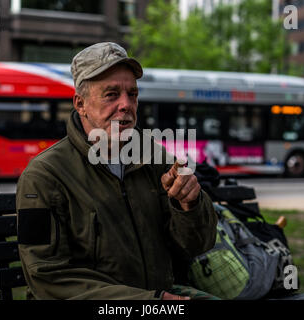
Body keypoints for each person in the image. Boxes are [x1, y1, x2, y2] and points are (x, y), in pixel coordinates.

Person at [16, 42, 218, 300]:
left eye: (132, 94)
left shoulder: (155, 158)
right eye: (111, 94)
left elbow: (197, 246)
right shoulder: (45, 176)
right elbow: (47, 277)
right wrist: (147, 301)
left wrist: (189, 205)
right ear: (81, 104)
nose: (126, 105)